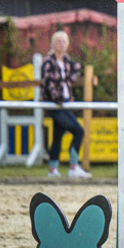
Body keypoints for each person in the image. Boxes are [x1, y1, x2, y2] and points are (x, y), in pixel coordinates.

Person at [40, 30, 91, 179]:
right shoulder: (48, 61)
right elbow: (47, 84)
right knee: (78, 131)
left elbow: (75, 71)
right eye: (58, 42)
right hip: (55, 104)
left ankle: (53, 169)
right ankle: (73, 166)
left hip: (66, 102)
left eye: (64, 42)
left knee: (57, 135)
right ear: (53, 44)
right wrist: (59, 98)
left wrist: (71, 80)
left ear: (67, 44)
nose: (61, 45)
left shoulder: (67, 60)